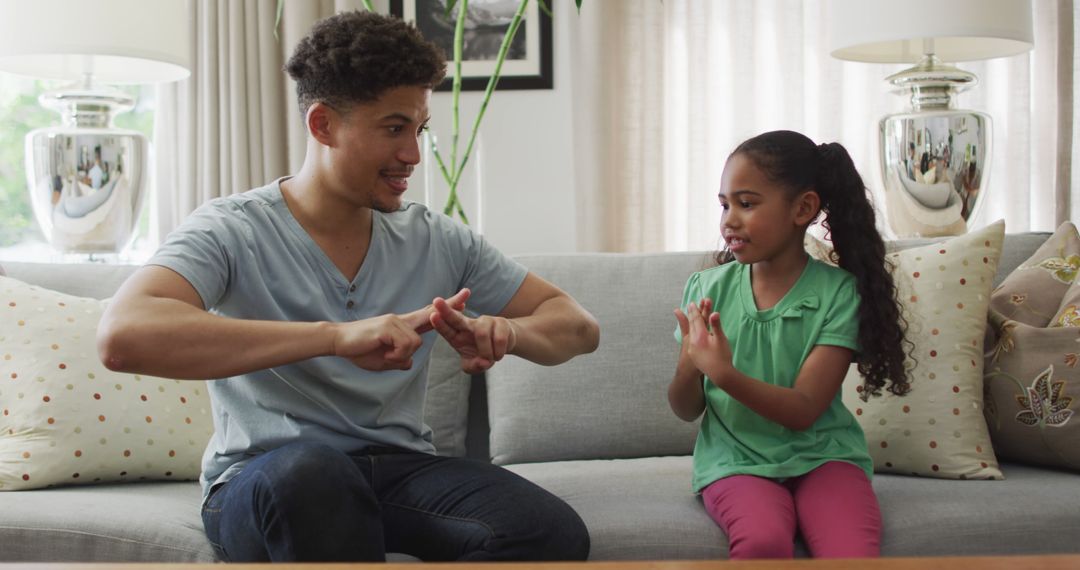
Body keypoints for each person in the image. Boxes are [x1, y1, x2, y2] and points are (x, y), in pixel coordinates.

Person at [96, 10, 599, 563]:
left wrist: (506, 331)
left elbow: (577, 327)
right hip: (267, 480)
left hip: (398, 473)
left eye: (419, 129)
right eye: (393, 128)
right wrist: (335, 337)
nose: (412, 153)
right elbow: (124, 336)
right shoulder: (230, 228)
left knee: (547, 530)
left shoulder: (437, 239)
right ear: (323, 125)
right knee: (314, 476)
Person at [667, 130, 909, 559]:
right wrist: (692, 361)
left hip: (825, 459)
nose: (728, 220)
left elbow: (803, 410)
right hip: (736, 462)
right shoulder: (705, 288)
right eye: (724, 204)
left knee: (849, 551)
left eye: (747, 203)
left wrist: (723, 372)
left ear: (803, 208)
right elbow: (685, 408)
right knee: (763, 542)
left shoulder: (838, 294)